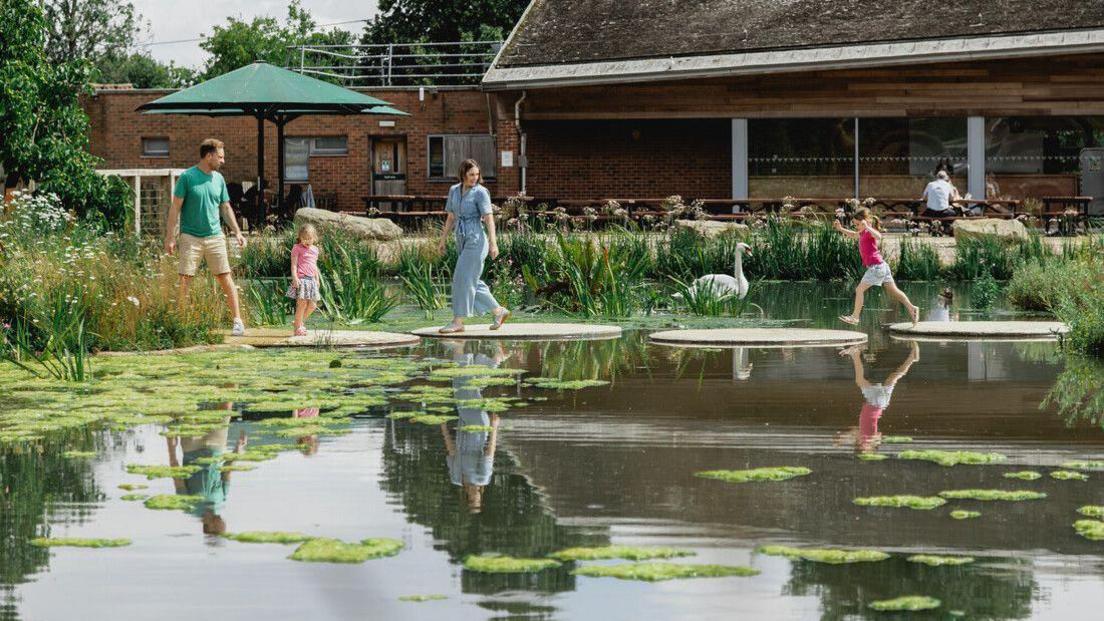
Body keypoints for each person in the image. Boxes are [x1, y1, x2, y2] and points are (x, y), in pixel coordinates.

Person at [165, 138, 247, 336]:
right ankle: (182, 322)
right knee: (185, 279)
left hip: (215, 237)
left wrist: (237, 231)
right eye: (220, 157)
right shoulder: (187, 177)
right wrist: (170, 237)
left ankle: (237, 321)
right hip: (190, 237)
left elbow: (225, 208)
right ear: (209, 156)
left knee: (225, 277)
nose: (223, 161)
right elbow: (175, 208)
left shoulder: (218, 179)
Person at [437, 159, 510, 334]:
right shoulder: (454, 191)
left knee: (461, 278)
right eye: (471, 175)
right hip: (461, 238)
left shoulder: (481, 192)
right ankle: (498, 311)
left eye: (477, 174)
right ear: (463, 174)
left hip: (477, 239)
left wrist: (493, 243)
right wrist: (442, 240)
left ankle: (458, 321)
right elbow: (451, 217)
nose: (475, 178)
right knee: (471, 280)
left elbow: (489, 218)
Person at [835, 207, 920, 325]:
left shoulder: (869, 231)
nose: (856, 227)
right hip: (882, 266)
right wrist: (840, 229)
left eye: (858, 224)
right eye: (855, 224)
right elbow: (854, 235)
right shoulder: (862, 232)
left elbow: (879, 236)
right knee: (894, 291)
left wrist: (867, 226)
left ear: (865, 221)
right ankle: (912, 308)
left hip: (876, 267)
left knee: (859, 290)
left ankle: (855, 317)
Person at [838, 342, 919, 453]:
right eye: (864, 448)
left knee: (893, 377)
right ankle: (855, 353)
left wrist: (845, 438)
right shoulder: (866, 439)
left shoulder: (870, 438)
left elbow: (859, 431)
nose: (862, 446)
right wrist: (843, 439)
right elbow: (856, 433)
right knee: (860, 380)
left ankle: (911, 359)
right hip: (874, 402)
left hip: (883, 404)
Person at [286, 224, 322, 336]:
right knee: (301, 304)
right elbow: (294, 265)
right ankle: (297, 328)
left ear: (314, 238)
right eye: (304, 239)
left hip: (312, 280)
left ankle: (299, 321)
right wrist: (295, 277)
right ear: (300, 238)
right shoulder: (297, 248)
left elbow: (314, 266)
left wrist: (317, 279)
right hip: (302, 279)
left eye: (309, 239)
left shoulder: (315, 250)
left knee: (312, 305)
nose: (307, 241)